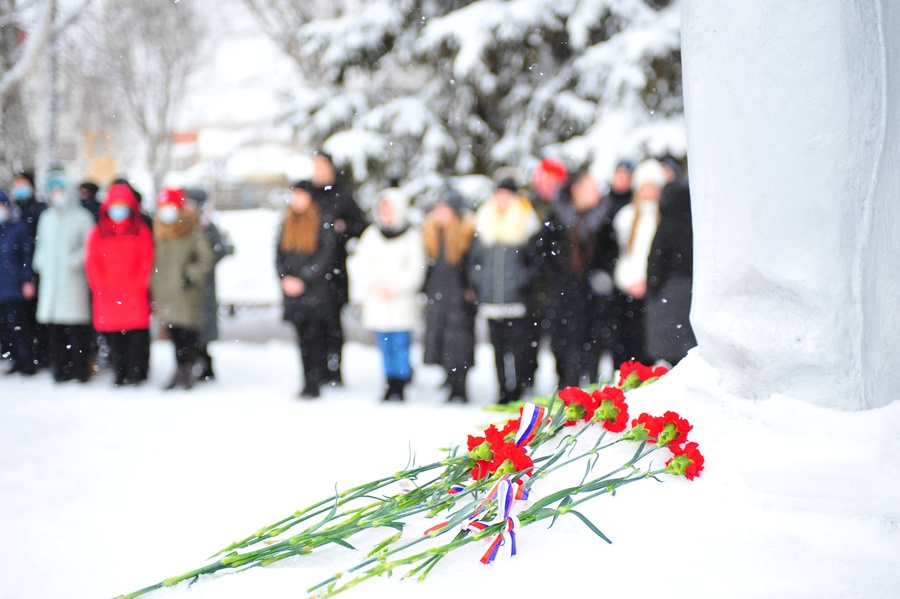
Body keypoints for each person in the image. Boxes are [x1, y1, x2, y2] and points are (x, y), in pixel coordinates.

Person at [536, 167, 618, 388]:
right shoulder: (556, 219)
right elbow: (543, 256)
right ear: (576, 189)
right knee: (565, 359)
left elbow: (611, 256)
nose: (596, 192)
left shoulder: (604, 220)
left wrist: (600, 279)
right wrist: (560, 280)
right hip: (564, 300)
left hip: (596, 302)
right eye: (591, 187)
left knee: (593, 360)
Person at [348, 187, 425, 402]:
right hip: (379, 300)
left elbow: (415, 268)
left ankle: (400, 382)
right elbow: (362, 264)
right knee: (385, 344)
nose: (386, 214)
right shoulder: (372, 235)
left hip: (400, 301)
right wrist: (376, 285)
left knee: (400, 343)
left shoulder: (411, 236)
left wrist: (395, 286)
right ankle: (389, 380)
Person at [469, 177, 541, 404]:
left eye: (506, 195)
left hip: (516, 299)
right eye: (498, 194)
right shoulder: (485, 221)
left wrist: (523, 281)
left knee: (519, 348)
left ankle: (519, 387)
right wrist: (479, 282)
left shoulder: (525, 222)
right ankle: (502, 389)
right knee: (497, 349)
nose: (501, 199)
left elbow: (535, 262)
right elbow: (474, 261)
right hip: (491, 298)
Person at [84, 183, 154, 387]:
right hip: (108, 294)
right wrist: (99, 285)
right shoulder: (99, 232)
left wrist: (139, 284)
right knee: (114, 339)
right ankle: (120, 372)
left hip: (134, 293)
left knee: (136, 338)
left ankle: (137, 373)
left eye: (122, 205)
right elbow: (92, 263)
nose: (118, 210)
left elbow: (146, 259)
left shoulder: (140, 230)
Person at [276, 181, 339, 398]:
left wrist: (304, 279)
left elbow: (325, 257)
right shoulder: (287, 222)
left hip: (315, 293)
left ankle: (316, 379)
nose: (297, 200)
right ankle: (306, 379)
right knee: (301, 338)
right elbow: (279, 255)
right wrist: (286, 278)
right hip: (294, 293)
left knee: (315, 337)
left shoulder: (321, 222)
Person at [32, 171, 95, 383]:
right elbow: (41, 245)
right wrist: (40, 262)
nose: (57, 195)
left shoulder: (81, 217)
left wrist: (74, 261)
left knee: (76, 330)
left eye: (60, 191)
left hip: (73, 281)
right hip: (51, 282)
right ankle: (60, 370)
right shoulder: (47, 217)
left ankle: (79, 370)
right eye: (53, 191)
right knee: (55, 330)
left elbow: (90, 247)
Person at [311, 151, 367, 387]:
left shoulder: (342, 195)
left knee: (333, 322)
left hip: (334, 270)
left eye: (323, 166)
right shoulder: (308, 194)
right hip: (311, 271)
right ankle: (317, 368)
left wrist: (343, 229)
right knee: (314, 323)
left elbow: (361, 225)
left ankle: (334, 369)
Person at [151, 188, 214, 390]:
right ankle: (180, 368)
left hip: (186, 293)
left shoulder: (192, 230)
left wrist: (190, 275)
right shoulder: (161, 230)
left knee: (188, 334)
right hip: (167, 293)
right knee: (174, 334)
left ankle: (188, 368)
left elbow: (205, 258)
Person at [421, 188, 476, 403]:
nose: (439, 214)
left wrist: (470, 290)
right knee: (442, 340)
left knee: (459, 342)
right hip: (439, 294)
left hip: (459, 297)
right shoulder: (432, 233)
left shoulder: (465, 235)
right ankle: (449, 379)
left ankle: (460, 387)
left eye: (443, 209)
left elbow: (473, 266)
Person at [611, 159, 667, 365]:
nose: (649, 192)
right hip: (630, 290)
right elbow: (623, 255)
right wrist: (629, 281)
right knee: (631, 345)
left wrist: (650, 280)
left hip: (656, 291)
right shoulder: (626, 217)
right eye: (645, 187)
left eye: (653, 187)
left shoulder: (664, 218)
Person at [646, 163, 696, 365]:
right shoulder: (696, 225)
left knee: (672, 356)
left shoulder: (667, 225)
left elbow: (656, 262)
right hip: (692, 289)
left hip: (670, 293)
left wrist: (653, 288)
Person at [185, 189, 233, 382]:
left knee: (203, 326)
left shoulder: (207, 226)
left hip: (204, 284)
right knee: (190, 326)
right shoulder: (186, 225)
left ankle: (205, 366)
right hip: (188, 285)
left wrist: (202, 264)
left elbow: (219, 250)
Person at [9, 171, 47, 370]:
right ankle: (25, 357)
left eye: (23, 184)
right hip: (17, 273)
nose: (20, 189)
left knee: (37, 317)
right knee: (21, 319)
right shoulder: (14, 211)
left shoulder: (39, 210)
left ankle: (40, 356)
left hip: (36, 269)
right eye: (17, 185)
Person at [0, 190, 36, 375]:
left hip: (13, 287)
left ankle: (26, 361)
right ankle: (14, 359)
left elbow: (26, 256)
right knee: (5, 330)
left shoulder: (18, 229)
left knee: (19, 328)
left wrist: (27, 279)